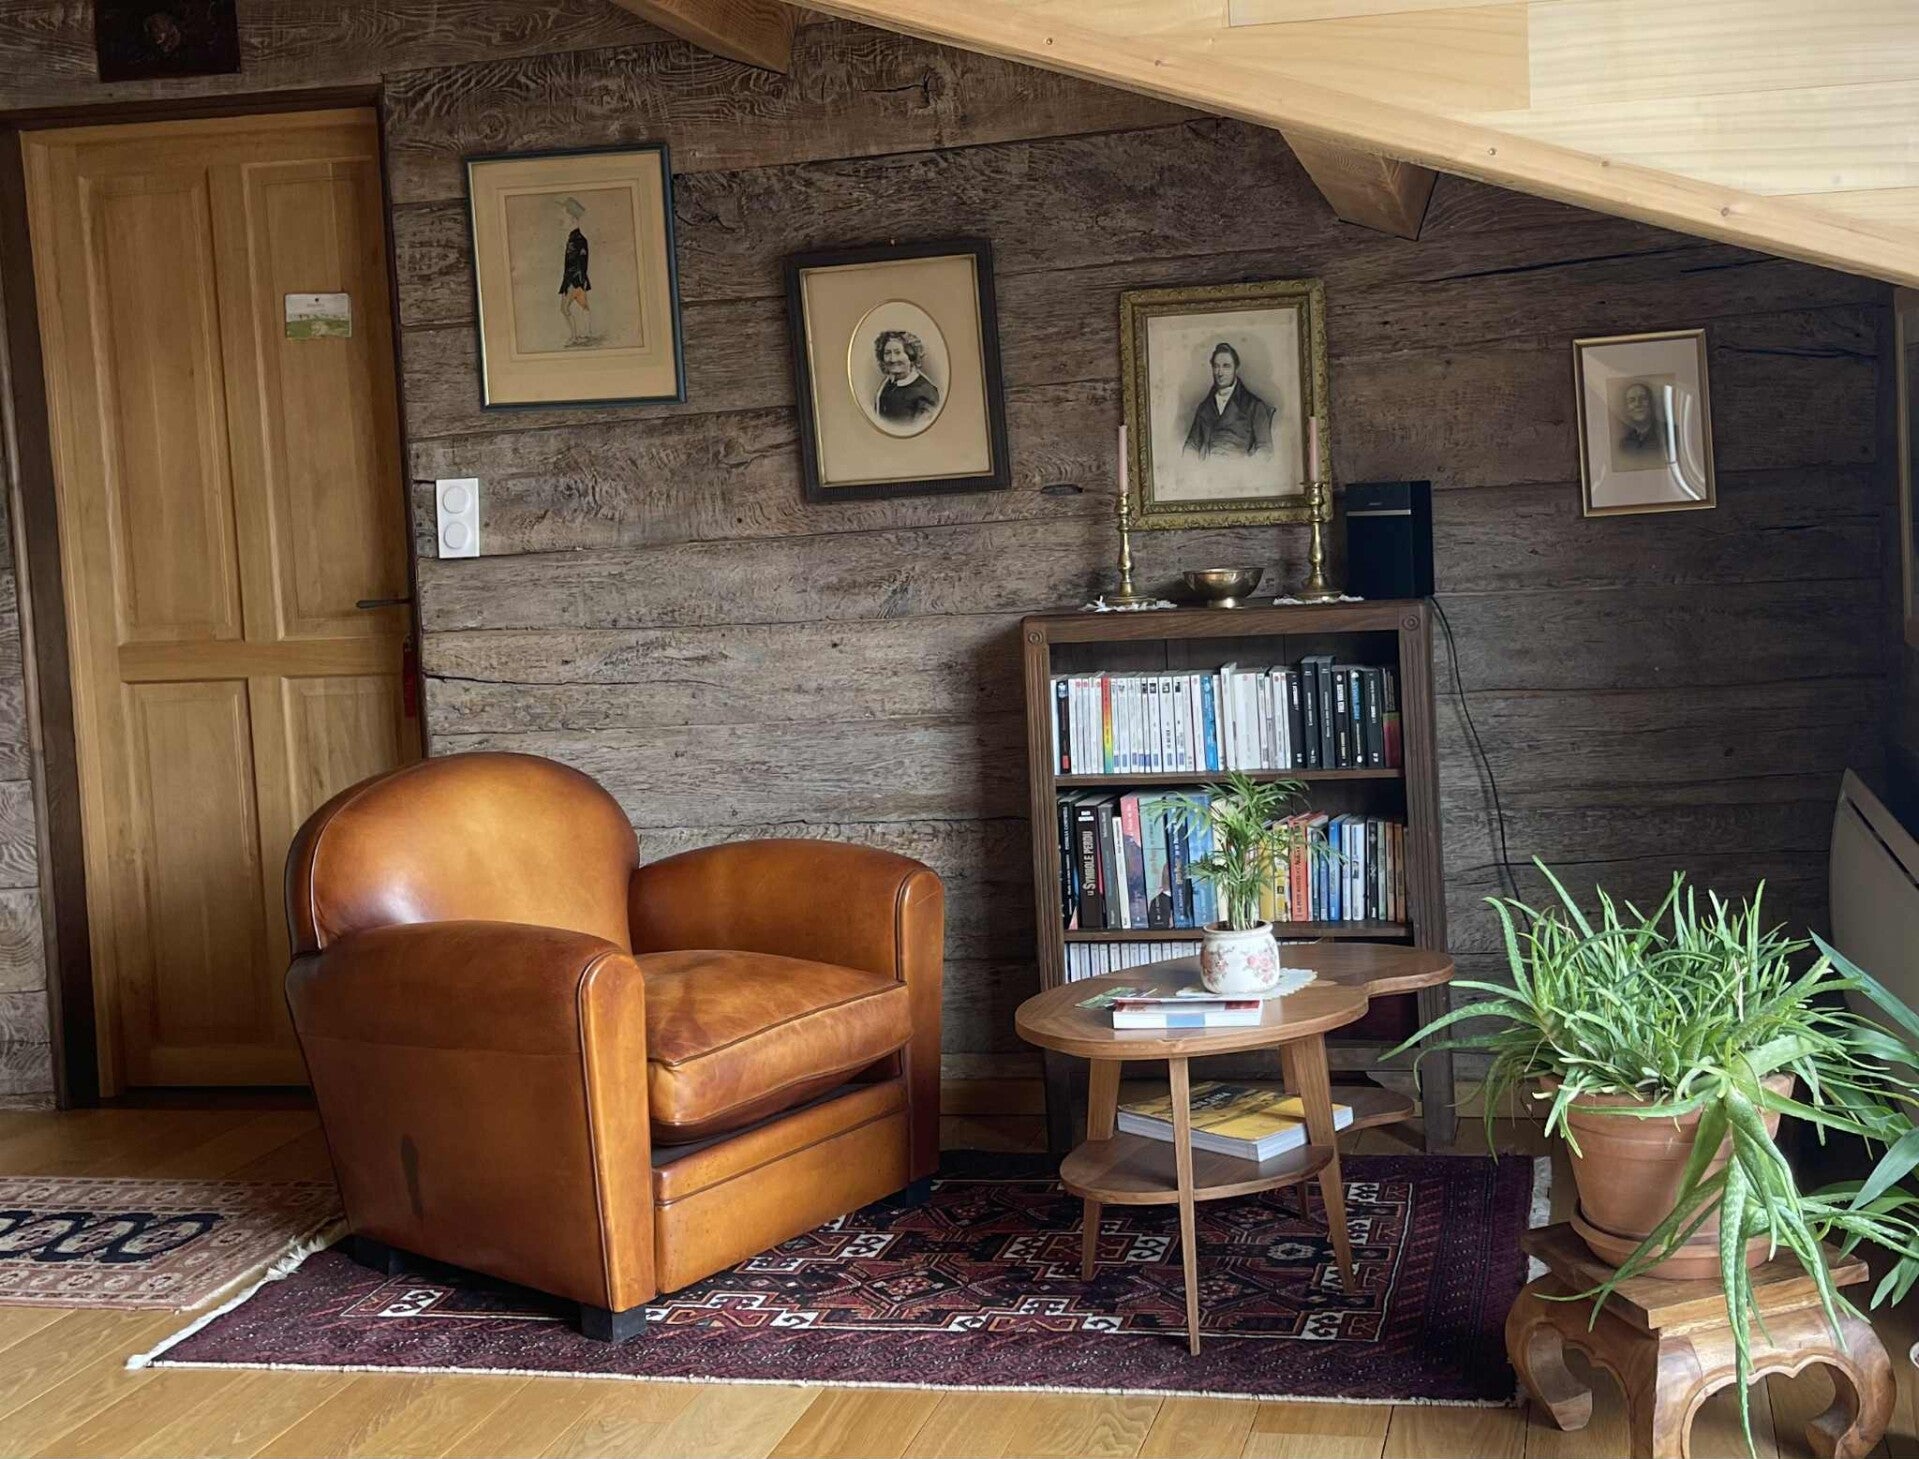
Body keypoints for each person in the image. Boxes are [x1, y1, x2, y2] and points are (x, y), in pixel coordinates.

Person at [1184, 343, 1275, 458]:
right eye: (1216, 366)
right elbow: (1191, 445)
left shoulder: (1255, 406)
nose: (1220, 373)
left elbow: (1265, 449)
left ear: (1236, 369)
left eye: (1226, 366)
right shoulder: (1204, 408)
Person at [874, 330, 940, 425]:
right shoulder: (888, 385)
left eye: (898, 352)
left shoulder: (926, 393)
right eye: (887, 353)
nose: (892, 359)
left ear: (911, 356)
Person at [557, 197, 593, 346]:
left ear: (572, 218)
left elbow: (578, 265)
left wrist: (572, 284)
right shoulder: (576, 238)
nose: (561, 219)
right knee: (584, 306)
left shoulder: (577, 240)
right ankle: (587, 334)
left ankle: (574, 337)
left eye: (564, 215)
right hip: (579, 280)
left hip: (574, 280)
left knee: (564, 308)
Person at [1617, 380, 1667, 462]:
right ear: (1626, 409)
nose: (1638, 404)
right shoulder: (1624, 444)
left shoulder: (1669, 434)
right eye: (1632, 400)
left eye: (1643, 398)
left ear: (1651, 403)